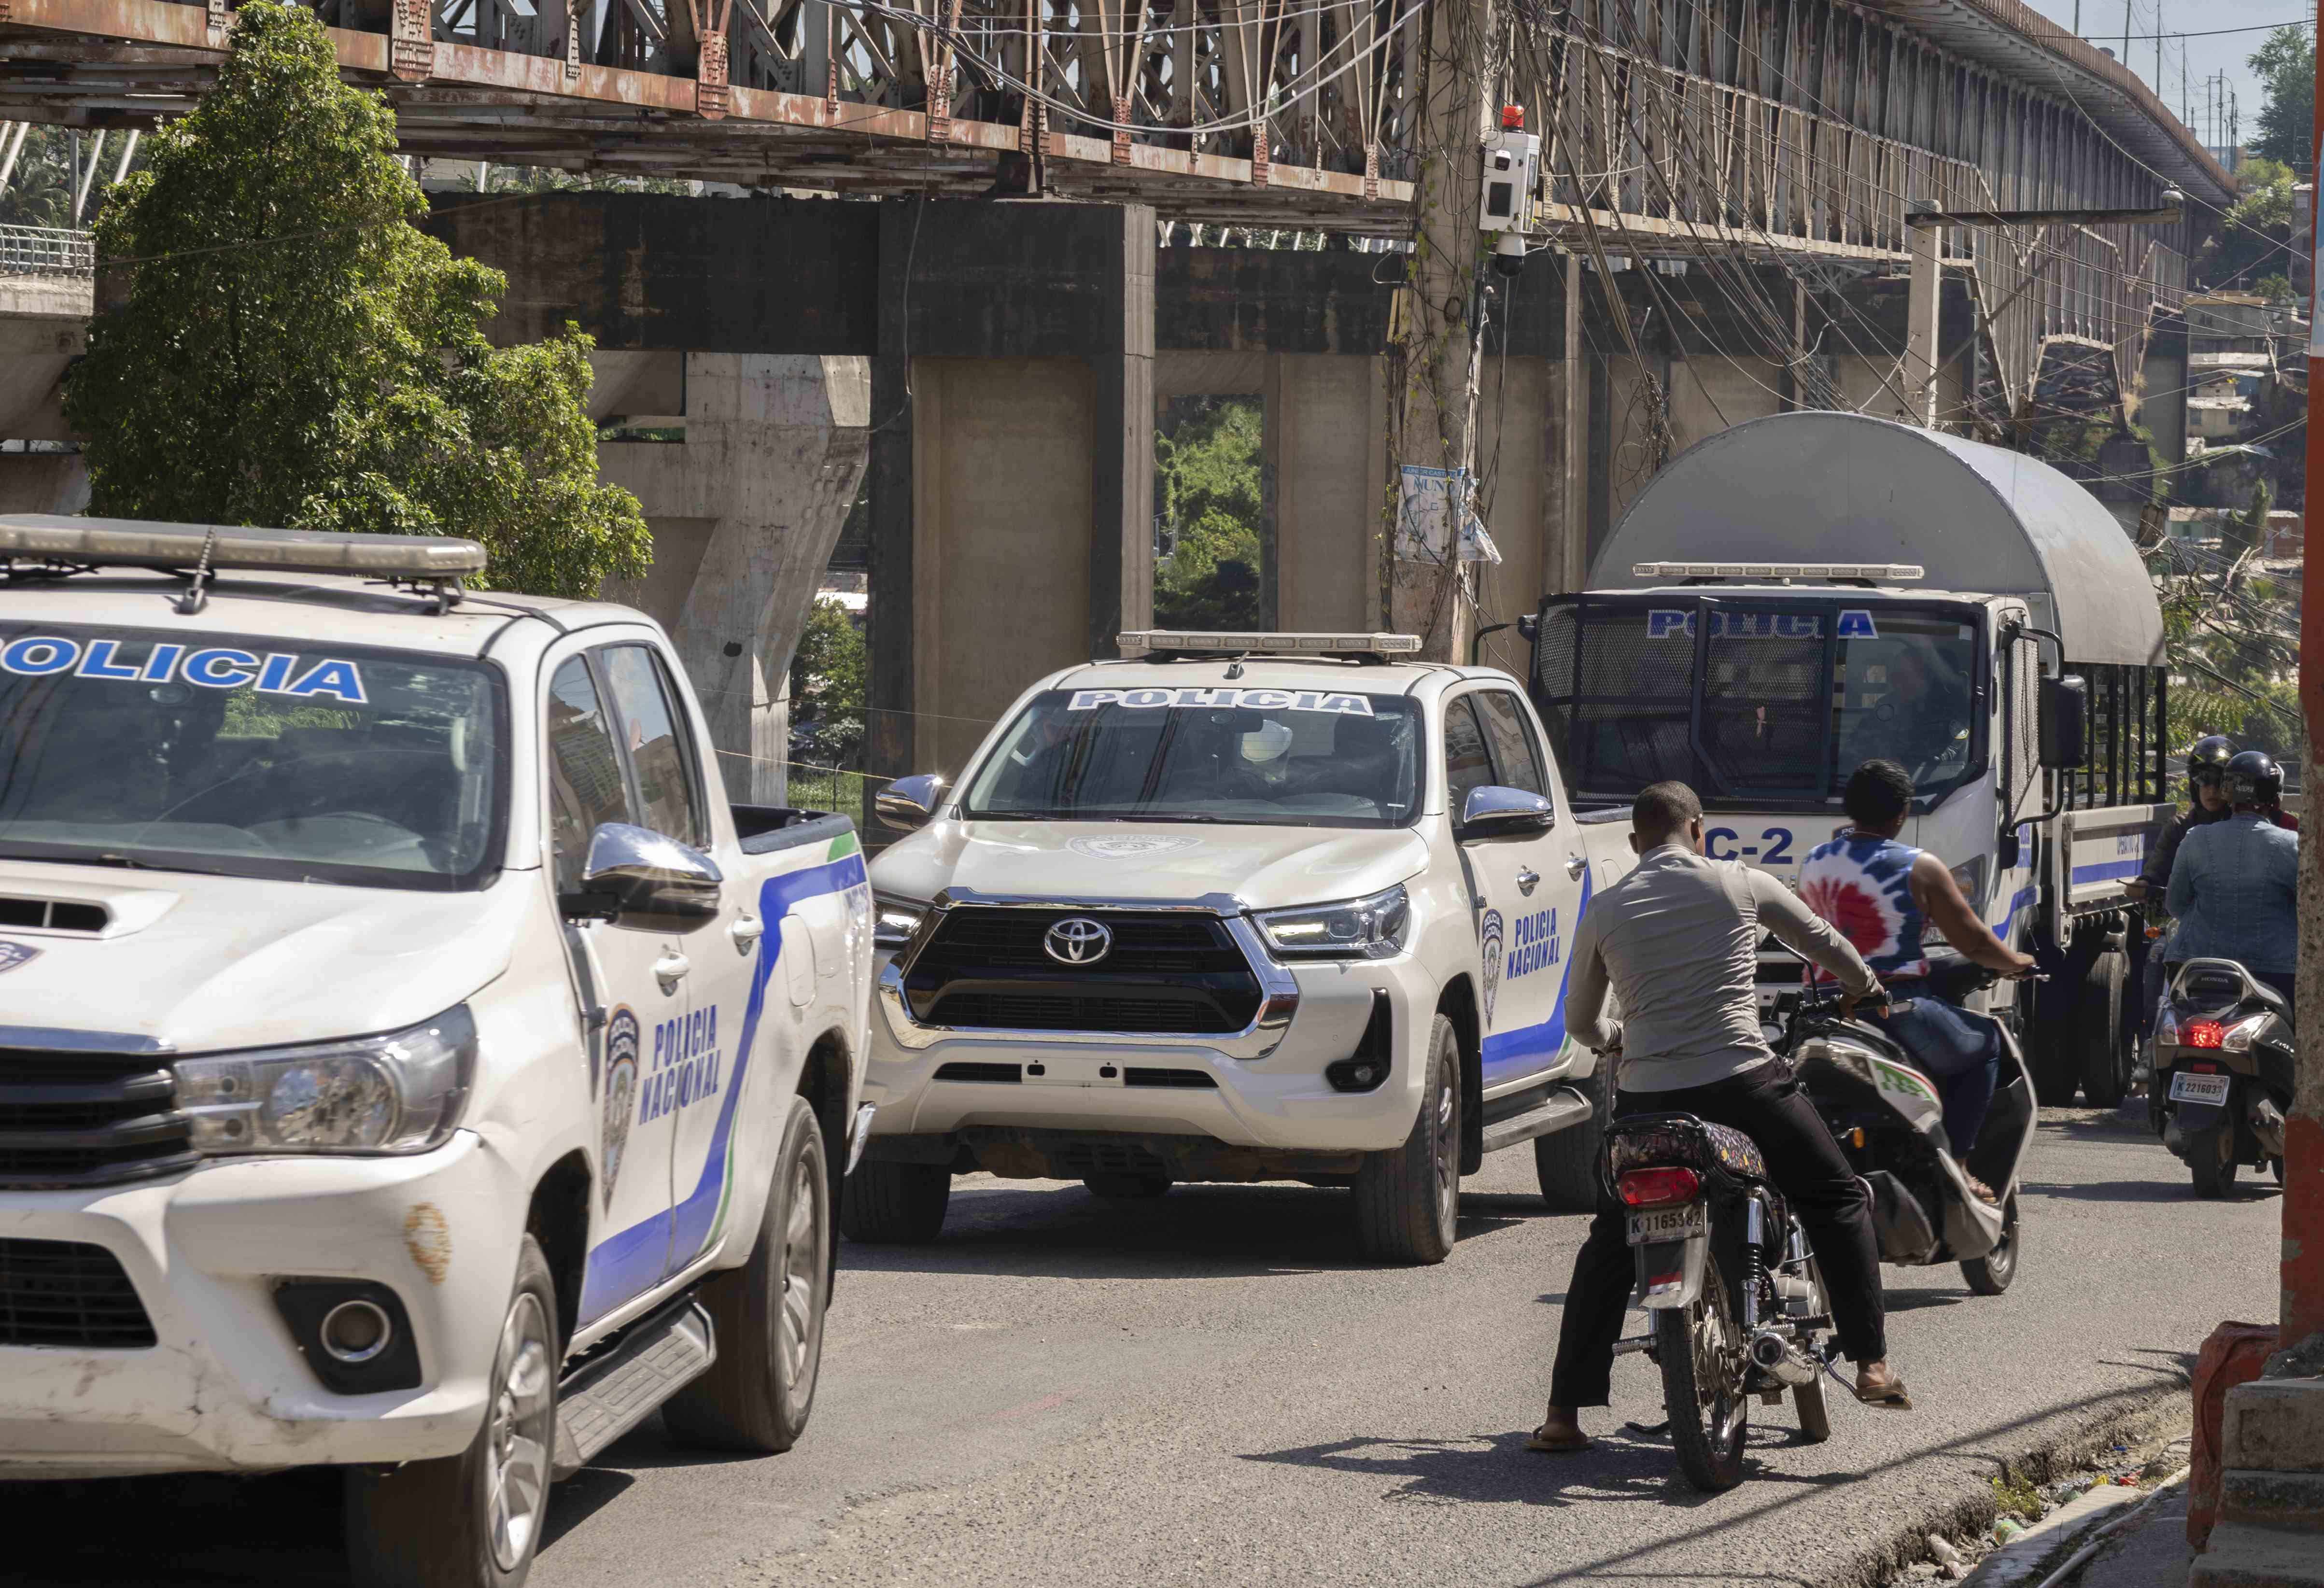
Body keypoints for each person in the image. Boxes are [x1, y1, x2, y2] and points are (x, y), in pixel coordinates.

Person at [1530, 781, 1909, 1456]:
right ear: (1698, 830)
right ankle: (1872, 1363)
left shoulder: (1607, 907)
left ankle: (1563, 1413)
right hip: (1743, 1085)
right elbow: (1821, 941)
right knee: (1838, 1194)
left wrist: (1620, 1037)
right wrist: (1863, 987)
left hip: (1649, 1104)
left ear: (1634, 842)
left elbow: (1581, 1022)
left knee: (1612, 1240)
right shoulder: (1741, 883)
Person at [1799, 761, 2036, 1199]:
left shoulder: (1815, 861)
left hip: (1824, 1010)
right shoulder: (1919, 867)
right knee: (1985, 1044)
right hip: (1891, 1007)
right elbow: (1976, 943)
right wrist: (2017, 961)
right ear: (1902, 812)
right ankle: (1960, 1165)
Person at [2166, 750, 2298, 1018]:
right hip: (2274, 974)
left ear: (2228, 793)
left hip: (2195, 968)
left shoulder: (2195, 838)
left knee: (2169, 1022)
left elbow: (2175, 905)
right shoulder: (2291, 844)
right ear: (2274, 796)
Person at [2126, 735, 2235, 1040]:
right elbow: (2157, 870)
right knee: (2157, 956)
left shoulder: (2245, 826)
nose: (2211, 790)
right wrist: (2145, 884)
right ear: (2194, 784)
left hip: (2238, 924)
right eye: (2204, 781)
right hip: (2187, 925)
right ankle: (2151, 1041)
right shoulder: (2179, 827)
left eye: (2219, 781)